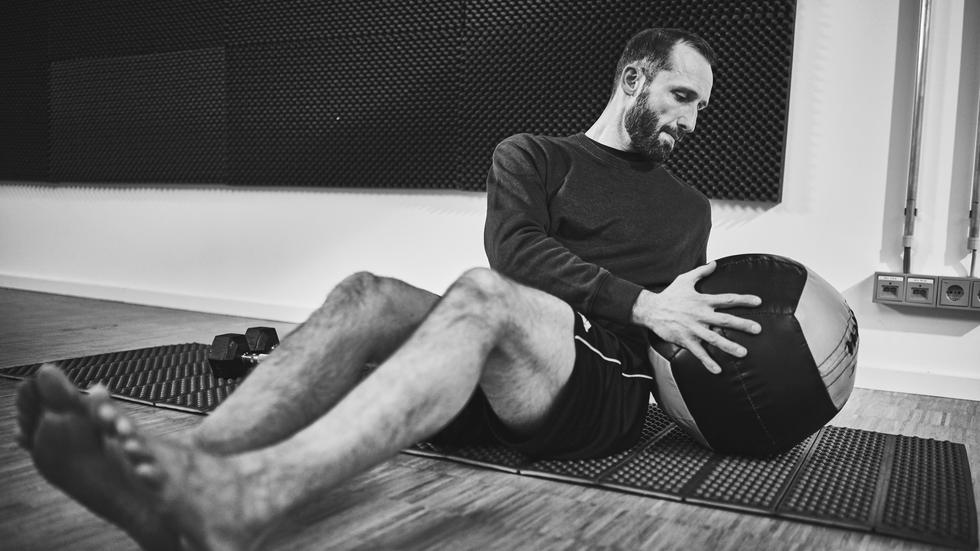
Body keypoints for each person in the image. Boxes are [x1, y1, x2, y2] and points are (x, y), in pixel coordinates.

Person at [15, 28, 762, 551]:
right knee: (365, 292)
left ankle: (252, 496)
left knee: (480, 296)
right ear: (633, 81)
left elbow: (676, 328)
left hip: (601, 389)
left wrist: (677, 342)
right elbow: (514, 249)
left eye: (702, 106)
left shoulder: (689, 209)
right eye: (682, 95)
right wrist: (642, 299)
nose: (693, 120)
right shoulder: (531, 156)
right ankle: (188, 470)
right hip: (505, 363)